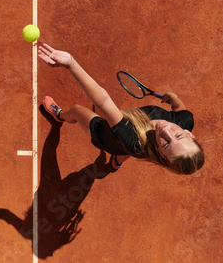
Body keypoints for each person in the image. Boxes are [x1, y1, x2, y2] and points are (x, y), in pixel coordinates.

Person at [38, 43, 204, 175]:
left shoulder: (133, 140)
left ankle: (60, 115)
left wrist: (71, 64)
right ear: (189, 132)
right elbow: (180, 108)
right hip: (128, 146)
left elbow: (103, 101)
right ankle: (117, 161)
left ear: (161, 152)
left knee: (76, 110)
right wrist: (173, 97)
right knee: (130, 150)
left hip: (106, 136)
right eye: (179, 135)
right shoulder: (185, 120)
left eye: (167, 144)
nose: (166, 131)